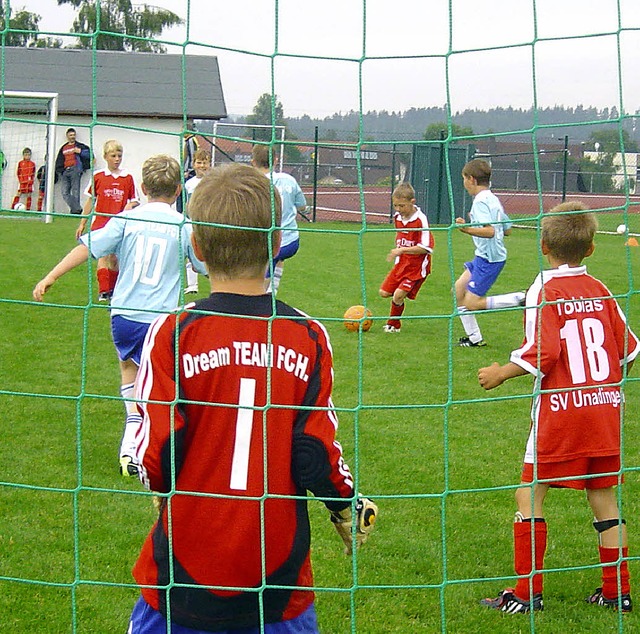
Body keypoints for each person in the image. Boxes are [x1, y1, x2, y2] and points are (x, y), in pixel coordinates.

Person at [127, 163, 377, 634]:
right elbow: (314, 448)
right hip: (277, 578)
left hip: (182, 574)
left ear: (195, 247)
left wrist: (159, 490)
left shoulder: (174, 332)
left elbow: (157, 448)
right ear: (277, 244)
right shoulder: (306, 336)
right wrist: (343, 503)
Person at [478, 202, 639, 615]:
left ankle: (526, 594)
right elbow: (630, 350)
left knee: (529, 494)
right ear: (590, 250)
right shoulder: (601, 289)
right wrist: (602, 387)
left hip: (562, 410)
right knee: (604, 498)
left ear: (543, 244)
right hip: (605, 410)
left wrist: (501, 371)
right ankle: (616, 592)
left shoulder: (545, 288)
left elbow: (544, 352)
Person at [33, 154, 207, 477]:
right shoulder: (183, 224)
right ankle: (158, 449)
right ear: (178, 189)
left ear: (142, 187)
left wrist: (51, 276)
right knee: (165, 385)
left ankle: (130, 445)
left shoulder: (127, 219)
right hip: (161, 322)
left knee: (129, 372)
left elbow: (87, 248)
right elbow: (202, 265)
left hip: (124, 316)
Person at [455, 158, 524, 347]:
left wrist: (467, 228)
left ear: (471, 179)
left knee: (471, 302)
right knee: (459, 288)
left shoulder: (480, 201)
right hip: (483, 256)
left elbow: (490, 231)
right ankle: (474, 338)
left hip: (490, 259)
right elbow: (507, 229)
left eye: (464, 178)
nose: (464, 183)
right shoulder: (493, 199)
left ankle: (518, 299)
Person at [76, 140, 139, 302]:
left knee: (114, 258)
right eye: (113, 156)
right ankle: (103, 291)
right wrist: (82, 223)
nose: (117, 159)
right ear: (105, 157)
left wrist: (129, 206)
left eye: (119, 156)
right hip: (101, 223)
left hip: (119, 224)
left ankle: (114, 289)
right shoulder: (98, 177)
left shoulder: (128, 177)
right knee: (102, 255)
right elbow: (90, 201)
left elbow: (135, 200)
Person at [378, 182, 434, 333]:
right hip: (401, 264)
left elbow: (426, 247)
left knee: (398, 295)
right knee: (384, 293)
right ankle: (394, 317)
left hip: (416, 268)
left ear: (412, 202)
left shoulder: (420, 220)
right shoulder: (397, 217)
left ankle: (393, 325)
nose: (398, 209)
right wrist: (399, 254)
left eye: (402, 206)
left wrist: (402, 250)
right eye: (395, 205)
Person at [251, 144, 306, 294]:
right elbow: (302, 206)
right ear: (275, 160)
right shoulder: (289, 180)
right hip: (291, 241)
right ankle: (273, 292)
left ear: (253, 162)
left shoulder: (254, 184)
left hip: (268, 242)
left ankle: (261, 299)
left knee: (264, 268)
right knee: (278, 259)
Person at [182, 148, 212, 294]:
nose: (202, 166)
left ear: (210, 164)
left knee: (210, 253)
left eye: (205, 163)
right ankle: (192, 285)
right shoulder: (189, 184)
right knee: (191, 251)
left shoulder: (212, 182)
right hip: (192, 223)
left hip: (208, 222)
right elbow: (185, 204)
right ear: (193, 164)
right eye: (199, 162)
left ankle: (215, 280)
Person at [55, 127, 91, 215]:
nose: (72, 136)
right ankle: (77, 208)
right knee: (65, 192)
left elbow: (90, 154)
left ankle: (75, 212)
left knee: (75, 191)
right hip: (65, 171)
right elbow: (59, 160)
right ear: (67, 136)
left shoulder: (80, 146)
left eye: (74, 135)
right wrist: (61, 171)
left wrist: (80, 152)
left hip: (75, 169)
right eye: (71, 135)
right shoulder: (63, 148)